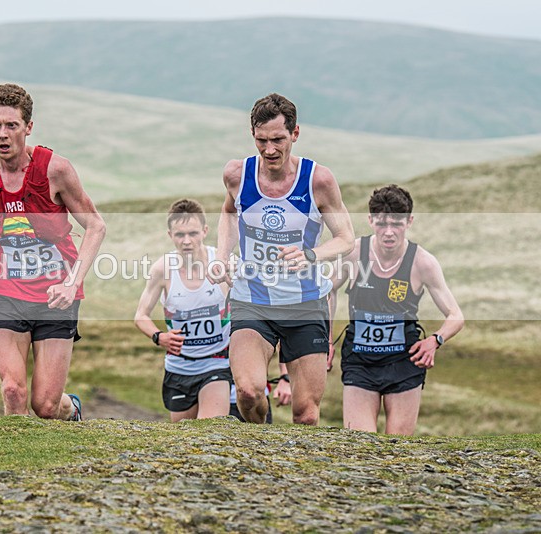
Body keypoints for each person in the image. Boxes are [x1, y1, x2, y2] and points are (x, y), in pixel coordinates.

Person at [0, 83, 106, 421]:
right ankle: (13, 468)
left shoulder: (55, 170)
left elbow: (96, 226)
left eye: (11, 126)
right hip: (6, 290)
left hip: (55, 295)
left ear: (28, 127)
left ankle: (71, 408)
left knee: (46, 406)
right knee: (12, 391)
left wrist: (71, 283)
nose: (3, 135)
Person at [210, 92, 355, 425]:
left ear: (295, 133)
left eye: (278, 139)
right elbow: (229, 213)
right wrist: (221, 255)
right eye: (261, 140)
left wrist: (310, 254)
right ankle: (260, 447)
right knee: (247, 392)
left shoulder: (318, 180)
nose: (270, 150)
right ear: (253, 136)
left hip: (305, 304)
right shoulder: (237, 174)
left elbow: (346, 239)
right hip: (251, 298)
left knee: (305, 414)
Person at [330, 185, 464, 435]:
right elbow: (327, 290)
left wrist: (435, 341)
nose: (389, 232)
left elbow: (456, 316)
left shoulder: (423, 262)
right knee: (360, 444)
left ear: (409, 221)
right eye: (381, 224)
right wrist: (325, 340)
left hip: (404, 363)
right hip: (360, 360)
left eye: (397, 224)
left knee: (398, 448)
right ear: (370, 220)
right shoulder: (353, 254)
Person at [134, 199, 233, 421]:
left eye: (193, 233)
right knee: (183, 436)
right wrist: (159, 336)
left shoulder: (222, 262)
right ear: (170, 235)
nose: (187, 241)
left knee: (211, 427)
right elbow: (141, 316)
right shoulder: (162, 269)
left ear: (205, 231)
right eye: (180, 235)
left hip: (217, 361)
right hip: (179, 366)